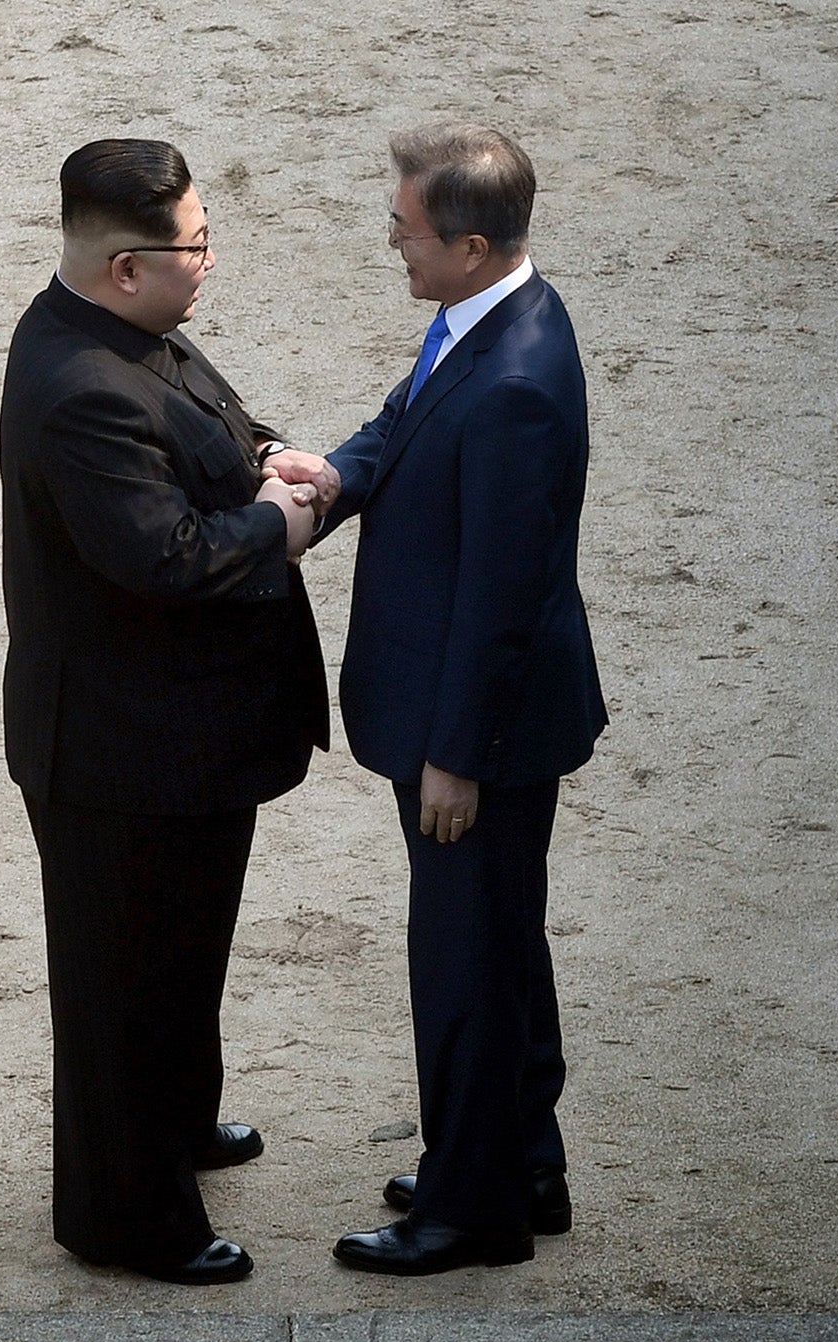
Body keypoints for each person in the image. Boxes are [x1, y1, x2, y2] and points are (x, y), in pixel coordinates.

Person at [0, 138, 333, 1284]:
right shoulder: (79, 386)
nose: (208, 263)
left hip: (177, 734)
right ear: (126, 267)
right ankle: (125, 1215)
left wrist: (271, 455)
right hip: (114, 749)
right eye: (196, 246)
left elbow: (202, 426)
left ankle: (179, 1129)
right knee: (121, 984)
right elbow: (167, 556)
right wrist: (282, 524)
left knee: (182, 953)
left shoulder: (119, 332)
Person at [278, 123, 608, 1275]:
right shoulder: (496, 315)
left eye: (405, 230)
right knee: (499, 942)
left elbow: (500, 598)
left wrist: (455, 754)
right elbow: (403, 419)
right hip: (490, 723)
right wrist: (336, 474)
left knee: (462, 962)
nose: (392, 245)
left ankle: (473, 1211)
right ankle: (519, 1159)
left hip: (480, 737)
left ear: (469, 244)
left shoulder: (514, 382)